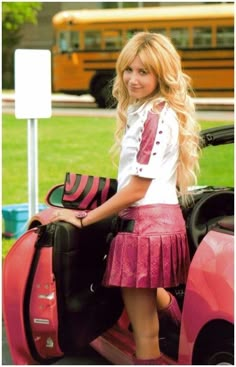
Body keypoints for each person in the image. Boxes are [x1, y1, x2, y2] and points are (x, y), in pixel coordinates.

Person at [52, 32, 200, 365]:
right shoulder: (159, 110)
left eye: (143, 72)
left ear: (161, 74)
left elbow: (136, 188)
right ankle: (180, 326)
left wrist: (83, 218)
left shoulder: (152, 117)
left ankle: (174, 336)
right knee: (147, 297)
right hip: (163, 222)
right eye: (128, 70)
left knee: (144, 330)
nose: (133, 79)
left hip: (143, 228)